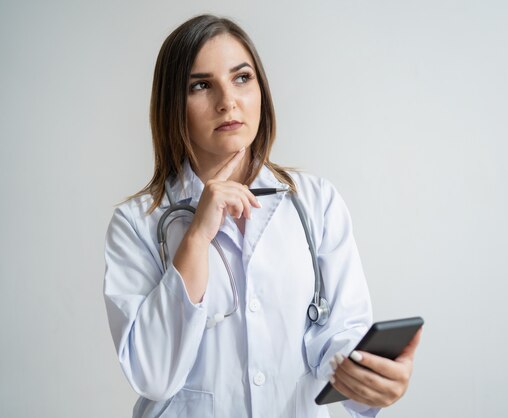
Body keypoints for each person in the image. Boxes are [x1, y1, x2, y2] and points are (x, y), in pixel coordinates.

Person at [103, 14, 422, 418]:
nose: (227, 101)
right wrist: (197, 237)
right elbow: (154, 376)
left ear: (261, 90)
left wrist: (372, 380)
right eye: (201, 85)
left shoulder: (314, 202)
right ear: (172, 105)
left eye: (241, 78)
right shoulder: (138, 224)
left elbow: (339, 339)